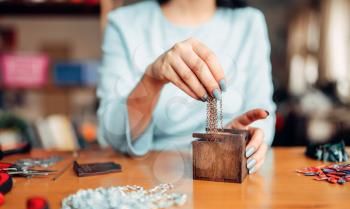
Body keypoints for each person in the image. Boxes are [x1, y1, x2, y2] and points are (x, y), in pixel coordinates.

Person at [97, 0, 276, 174]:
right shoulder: (124, 22)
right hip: (149, 173)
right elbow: (113, 135)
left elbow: (263, 112)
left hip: (226, 171)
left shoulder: (249, 23)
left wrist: (247, 138)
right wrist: (151, 80)